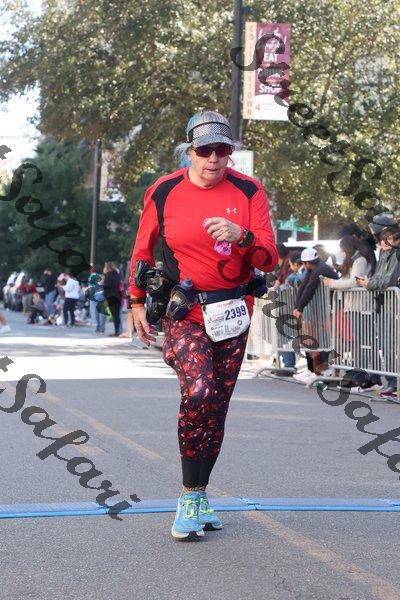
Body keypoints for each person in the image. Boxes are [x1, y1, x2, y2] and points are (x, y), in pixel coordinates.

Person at [129, 110, 278, 541]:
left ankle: (200, 493)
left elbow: (269, 258)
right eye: (205, 150)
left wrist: (241, 236)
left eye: (222, 150)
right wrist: (135, 302)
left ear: (230, 153)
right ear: (190, 151)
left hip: (233, 312)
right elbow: (142, 251)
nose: (214, 159)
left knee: (216, 406)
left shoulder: (249, 190)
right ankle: (189, 495)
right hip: (186, 311)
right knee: (198, 391)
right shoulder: (164, 190)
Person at [357, 217, 400, 399]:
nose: (381, 240)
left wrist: (370, 284)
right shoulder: (383, 252)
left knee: (392, 344)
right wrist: (371, 283)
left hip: (393, 305)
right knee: (385, 344)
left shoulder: (396, 253)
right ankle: (391, 383)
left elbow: (388, 280)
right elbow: (378, 276)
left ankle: (393, 384)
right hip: (384, 305)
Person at [292, 247, 339, 383]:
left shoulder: (321, 269)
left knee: (323, 341)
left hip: (331, 308)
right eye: (304, 263)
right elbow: (303, 287)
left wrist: (299, 308)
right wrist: (297, 307)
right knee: (313, 339)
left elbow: (310, 288)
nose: (305, 265)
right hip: (322, 309)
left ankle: (322, 370)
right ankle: (313, 370)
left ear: (310, 262)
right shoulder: (312, 269)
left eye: (306, 263)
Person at [103, 262, 122, 336]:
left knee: (114, 315)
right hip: (118, 296)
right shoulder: (118, 275)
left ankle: (117, 331)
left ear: (107, 267)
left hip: (111, 297)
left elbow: (106, 286)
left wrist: (105, 295)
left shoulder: (108, 275)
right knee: (117, 315)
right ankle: (118, 330)